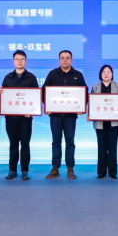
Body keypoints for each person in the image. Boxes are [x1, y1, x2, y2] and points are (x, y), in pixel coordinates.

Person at [44, 50, 87, 180]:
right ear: (59, 60)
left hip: (70, 116)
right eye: (62, 58)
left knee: (70, 142)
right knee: (56, 141)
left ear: (71, 60)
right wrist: (47, 106)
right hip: (55, 115)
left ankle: (70, 169)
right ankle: (55, 168)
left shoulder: (78, 75)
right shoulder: (52, 74)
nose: (65, 60)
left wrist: (82, 107)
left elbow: (84, 92)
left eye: (67, 58)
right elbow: (44, 91)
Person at [0, 50, 38, 180]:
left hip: (26, 118)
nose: (19, 61)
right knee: (13, 144)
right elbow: (4, 98)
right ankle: (12, 170)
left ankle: (25, 170)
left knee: (25, 144)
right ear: (13, 61)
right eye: (17, 59)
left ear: (25, 61)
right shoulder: (8, 77)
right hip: (11, 118)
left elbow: (36, 97)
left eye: (22, 59)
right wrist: (0, 92)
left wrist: (31, 111)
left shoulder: (31, 77)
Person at [91, 65, 118, 179]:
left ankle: (112, 172)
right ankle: (101, 172)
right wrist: (90, 114)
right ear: (100, 74)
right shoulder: (95, 87)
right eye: (104, 72)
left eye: (108, 72)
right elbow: (92, 103)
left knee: (112, 147)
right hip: (100, 122)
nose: (106, 74)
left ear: (112, 74)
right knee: (101, 147)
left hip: (114, 122)